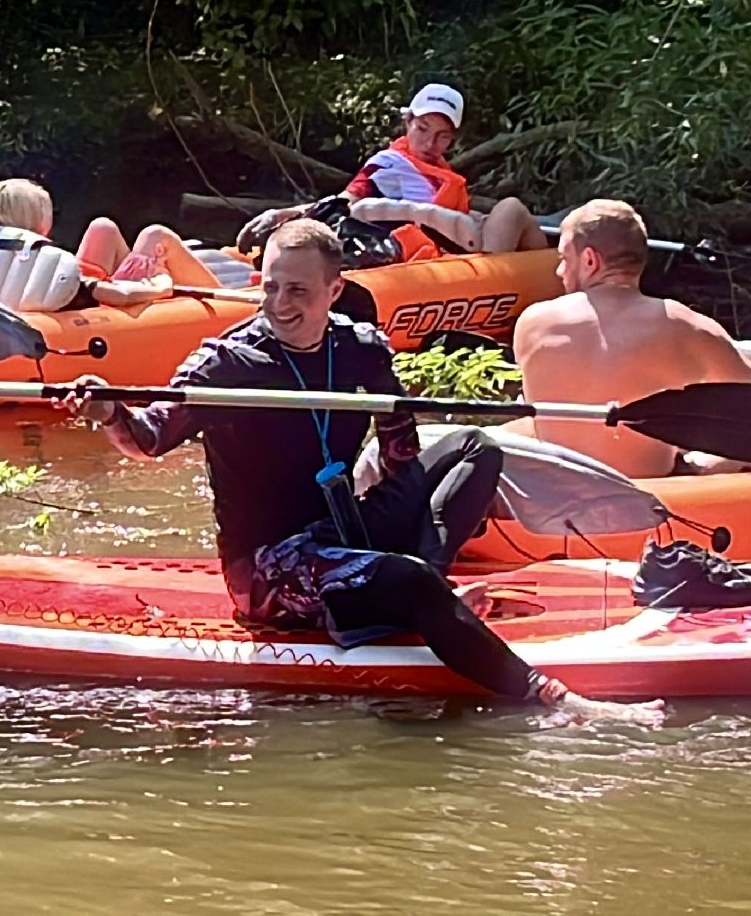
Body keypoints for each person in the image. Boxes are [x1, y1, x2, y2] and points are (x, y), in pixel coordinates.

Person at [64, 219, 666, 725]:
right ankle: (551, 698)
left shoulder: (362, 349)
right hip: (272, 566)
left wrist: (403, 474)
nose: (279, 304)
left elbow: (401, 453)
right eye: (270, 288)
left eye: (298, 291)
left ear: (333, 289)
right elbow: (148, 439)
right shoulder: (226, 364)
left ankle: (419, 592)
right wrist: (110, 408)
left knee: (474, 449)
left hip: (342, 528)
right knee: (408, 579)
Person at [509, 199, 751, 479]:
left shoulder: (533, 323)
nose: (560, 271)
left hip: (556, 488)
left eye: (565, 259)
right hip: (652, 486)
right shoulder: (684, 325)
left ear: (590, 260)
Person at [235, 84, 551, 258]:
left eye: (441, 136)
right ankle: (533, 282)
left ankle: (542, 278)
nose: (429, 142)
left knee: (515, 215)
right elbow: (345, 201)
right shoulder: (388, 165)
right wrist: (281, 215)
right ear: (408, 123)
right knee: (511, 209)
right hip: (448, 251)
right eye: (422, 129)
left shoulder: (436, 167)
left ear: (452, 138)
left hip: (458, 241)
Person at [0, 179, 224, 298]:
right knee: (156, 236)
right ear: (40, 223)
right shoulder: (45, 267)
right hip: (100, 306)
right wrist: (158, 283)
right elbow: (112, 295)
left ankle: (146, 265)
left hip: (85, 297)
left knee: (103, 228)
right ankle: (233, 309)